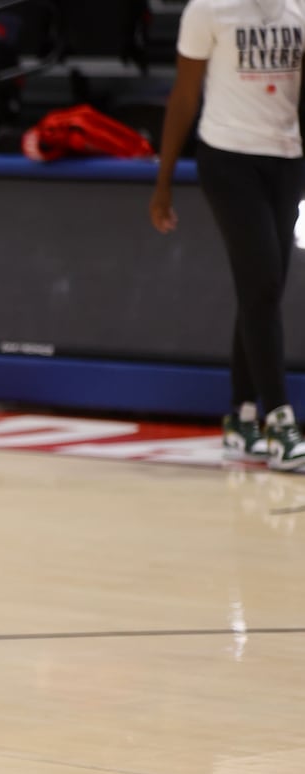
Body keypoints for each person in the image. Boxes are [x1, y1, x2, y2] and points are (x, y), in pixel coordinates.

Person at [149, 0, 304, 473]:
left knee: (264, 289)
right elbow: (184, 94)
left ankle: (241, 416)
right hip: (228, 157)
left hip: (287, 157)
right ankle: (279, 422)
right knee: (260, 285)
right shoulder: (209, 9)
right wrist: (164, 183)